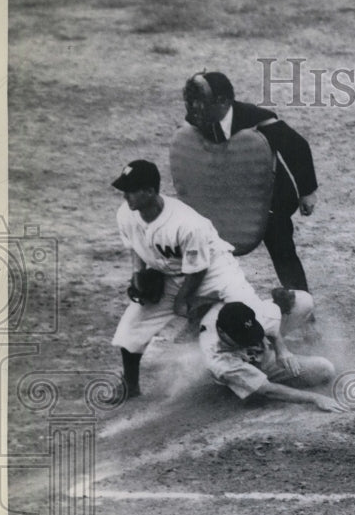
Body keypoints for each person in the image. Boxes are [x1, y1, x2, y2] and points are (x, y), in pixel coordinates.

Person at [110, 158, 293, 399]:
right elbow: (135, 246)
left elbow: (198, 270)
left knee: (252, 313)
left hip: (215, 272)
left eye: (131, 191)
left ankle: (284, 314)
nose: (126, 196)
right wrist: (137, 275)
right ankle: (130, 386)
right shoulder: (126, 214)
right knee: (130, 329)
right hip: (169, 275)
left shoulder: (187, 224)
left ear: (151, 191)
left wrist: (181, 301)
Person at [182, 70, 318, 295]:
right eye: (193, 103)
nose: (196, 110)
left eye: (203, 103)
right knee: (208, 249)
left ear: (223, 101)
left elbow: (297, 146)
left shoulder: (255, 118)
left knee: (282, 249)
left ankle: (303, 305)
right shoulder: (198, 121)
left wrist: (307, 192)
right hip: (229, 196)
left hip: (271, 197)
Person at [199, 297, 337, 412]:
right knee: (258, 393)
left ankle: (274, 372)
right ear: (222, 332)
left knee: (303, 301)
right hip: (237, 368)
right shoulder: (218, 359)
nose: (248, 341)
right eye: (242, 339)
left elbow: (273, 318)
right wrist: (315, 398)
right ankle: (240, 386)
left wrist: (281, 349)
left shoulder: (249, 311)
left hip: (261, 356)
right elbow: (268, 390)